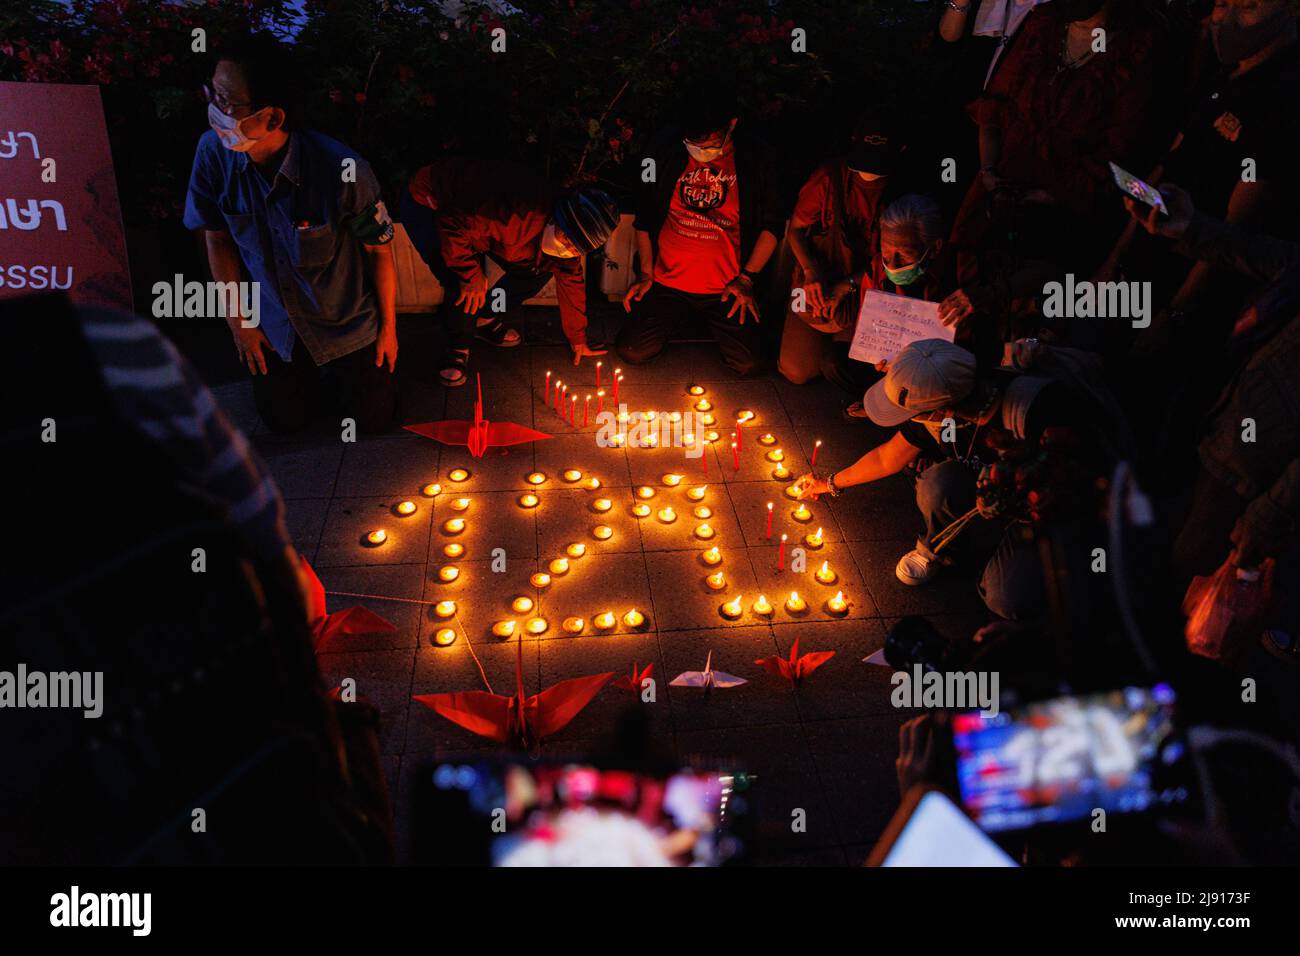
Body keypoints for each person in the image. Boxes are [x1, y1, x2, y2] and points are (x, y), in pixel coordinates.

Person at [795, 338, 1119, 621]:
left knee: (1005, 599)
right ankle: (940, 548)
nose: (911, 422)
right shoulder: (946, 395)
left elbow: (1085, 492)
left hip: (1056, 506)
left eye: (915, 415)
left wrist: (1012, 502)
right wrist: (831, 483)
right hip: (998, 485)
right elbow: (888, 457)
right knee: (936, 482)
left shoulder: (1039, 410)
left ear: (944, 411)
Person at [183, 32, 399, 434]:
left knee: (371, 422)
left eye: (229, 103)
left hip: (345, 323)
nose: (217, 112)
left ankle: (349, 375)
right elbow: (217, 238)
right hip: (276, 324)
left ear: (274, 117)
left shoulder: (342, 170)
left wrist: (388, 331)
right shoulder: (211, 154)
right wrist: (240, 324)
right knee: (285, 423)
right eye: (213, 95)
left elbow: (379, 252)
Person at [950, 0, 1163, 287]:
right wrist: (989, 172)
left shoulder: (1134, 48)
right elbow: (995, 107)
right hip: (997, 197)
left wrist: (1051, 195)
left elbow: (1120, 149)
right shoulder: (1044, 23)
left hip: (1062, 225)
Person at [400, 158, 620, 386]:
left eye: (577, 248)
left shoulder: (564, 247)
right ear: (558, 219)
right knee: (460, 281)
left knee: (536, 272)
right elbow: (451, 221)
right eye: (567, 239)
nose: (569, 250)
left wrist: (578, 338)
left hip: (481, 228)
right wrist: (470, 274)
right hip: (432, 204)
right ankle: (458, 344)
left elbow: (571, 281)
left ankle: (484, 317)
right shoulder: (516, 216)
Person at [617, 81, 783, 376]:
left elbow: (772, 225)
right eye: (694, 144)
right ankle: (679, 316)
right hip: (667, 282)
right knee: (632, 350)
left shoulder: (756, 157)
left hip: (727, 287)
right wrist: (645, 273)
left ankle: (706, 320)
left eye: (710, 143)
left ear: (731, 124)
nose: (701, 151)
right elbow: (645, 216)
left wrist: (746, 279)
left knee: (750, 364)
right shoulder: (665, 148)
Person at [778, 108, 906, 389]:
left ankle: (840, 358)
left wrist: (848, 285)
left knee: (841, 364)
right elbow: (796, 229)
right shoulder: (829, 177)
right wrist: (811, 273)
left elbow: (896, 263)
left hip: (866, 289)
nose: (869, 172)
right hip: (818, 278)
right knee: (795, 370)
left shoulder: (902, 191)